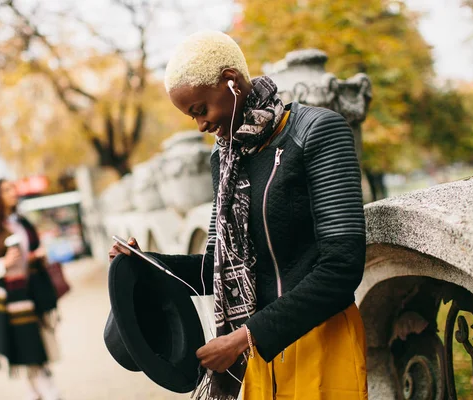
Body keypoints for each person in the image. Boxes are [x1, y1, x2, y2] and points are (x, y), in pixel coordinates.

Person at [109, 30, 368, 400]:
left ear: (231, 82)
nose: (200, 125)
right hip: (256, 353)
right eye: (190, 116)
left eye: (201, 110)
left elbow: (342, 267)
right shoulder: (225, 159)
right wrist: (146, 263)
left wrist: (247, 335)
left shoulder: (317, 131)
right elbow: (219, 267)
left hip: (319, 339)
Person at [0, 179, 61, 400]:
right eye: (6, 190)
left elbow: (30, 252)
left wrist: (36, 256)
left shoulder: (22, 223)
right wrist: (3, 264)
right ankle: (49, 393)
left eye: (13, 188)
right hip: (10, 301)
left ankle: (38, 393)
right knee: (29, 349)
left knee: (38, 346)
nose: (13, 192)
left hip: (34, 293)